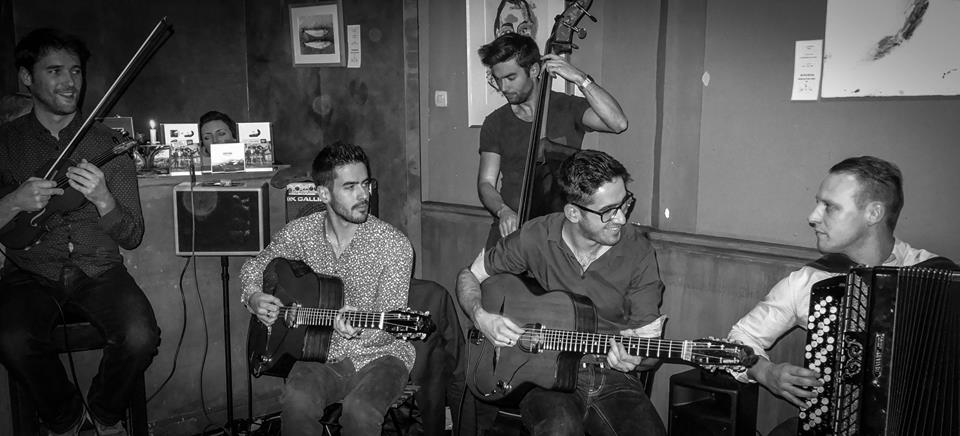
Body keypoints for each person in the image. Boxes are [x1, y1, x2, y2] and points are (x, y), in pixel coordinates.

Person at [0, 29, 160, 435]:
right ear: (26, 77)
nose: (70, 82)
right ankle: (67, 419)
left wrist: (105, 199)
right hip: (30, 271)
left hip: (100, 268)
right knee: (11, 338)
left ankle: (104, 416)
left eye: (75, 70)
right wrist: (15, 201)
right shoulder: (5, 145)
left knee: (141, 336)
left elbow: (132, 235)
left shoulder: (110, 144)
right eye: (54, 71)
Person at [726, 156, 955, 434]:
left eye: (830, 207)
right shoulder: (809, 280)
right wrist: (765, 372)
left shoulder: (941, 279)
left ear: (873, 213)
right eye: (817, 203)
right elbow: (739, 339)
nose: (812, 217)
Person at [457, 149, 666, 436]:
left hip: (611, 375)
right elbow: (469, 275)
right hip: (542, 376)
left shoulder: (638, 252)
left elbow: (651, 348)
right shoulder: (536, 236)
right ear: (573, 212)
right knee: (559, 429)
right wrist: (481, 317)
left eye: (624, 204)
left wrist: (639, 359)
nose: (621, 219)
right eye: (608, 212)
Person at [240, 142, 415, 436]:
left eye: (365, 184)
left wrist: (358, 328)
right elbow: (256, 265)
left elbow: (389, 320)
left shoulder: (394, 245)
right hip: (319, 354)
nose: (363, 195)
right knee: (297, 401)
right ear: (323, 193)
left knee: (360, 411)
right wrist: (254, 297)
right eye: (350, 187)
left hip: (383, 355)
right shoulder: (301, 232)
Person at [476, 33, 628, 249]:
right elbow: (486, 183)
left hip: (561, 229)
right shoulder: (495, 122)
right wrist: (503, 211)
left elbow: (618, 123)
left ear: (534, 70)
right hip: (512, 227)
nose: (503, 87)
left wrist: (580, 79)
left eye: (510, 78)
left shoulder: (566, 107)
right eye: (498, 79)